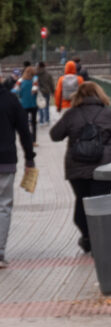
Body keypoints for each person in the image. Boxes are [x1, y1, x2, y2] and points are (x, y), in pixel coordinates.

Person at [50, 82, 111, 253]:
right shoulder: (107, 113)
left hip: (77, 167)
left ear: (78, 96)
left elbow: (55, 135)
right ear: (100, 95)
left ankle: (87, 236)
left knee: (82, 201)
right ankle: (100, 239)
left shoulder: (71, 114)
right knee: (101, 202)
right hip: (104, 167)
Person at [0, 80, 34, 268]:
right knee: (3, 206)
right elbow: (24, 131)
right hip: (5, 160)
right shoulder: (11, 100)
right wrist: (29, 158)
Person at [14, 65, 38, 144]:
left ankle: (28, 139)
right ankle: (34, 140)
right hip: (33, 104)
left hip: (24, 105)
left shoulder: (21, 81)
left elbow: (17, 92)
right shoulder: (34, 81)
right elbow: (35, 91)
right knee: (34, 123)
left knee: (25, 123)